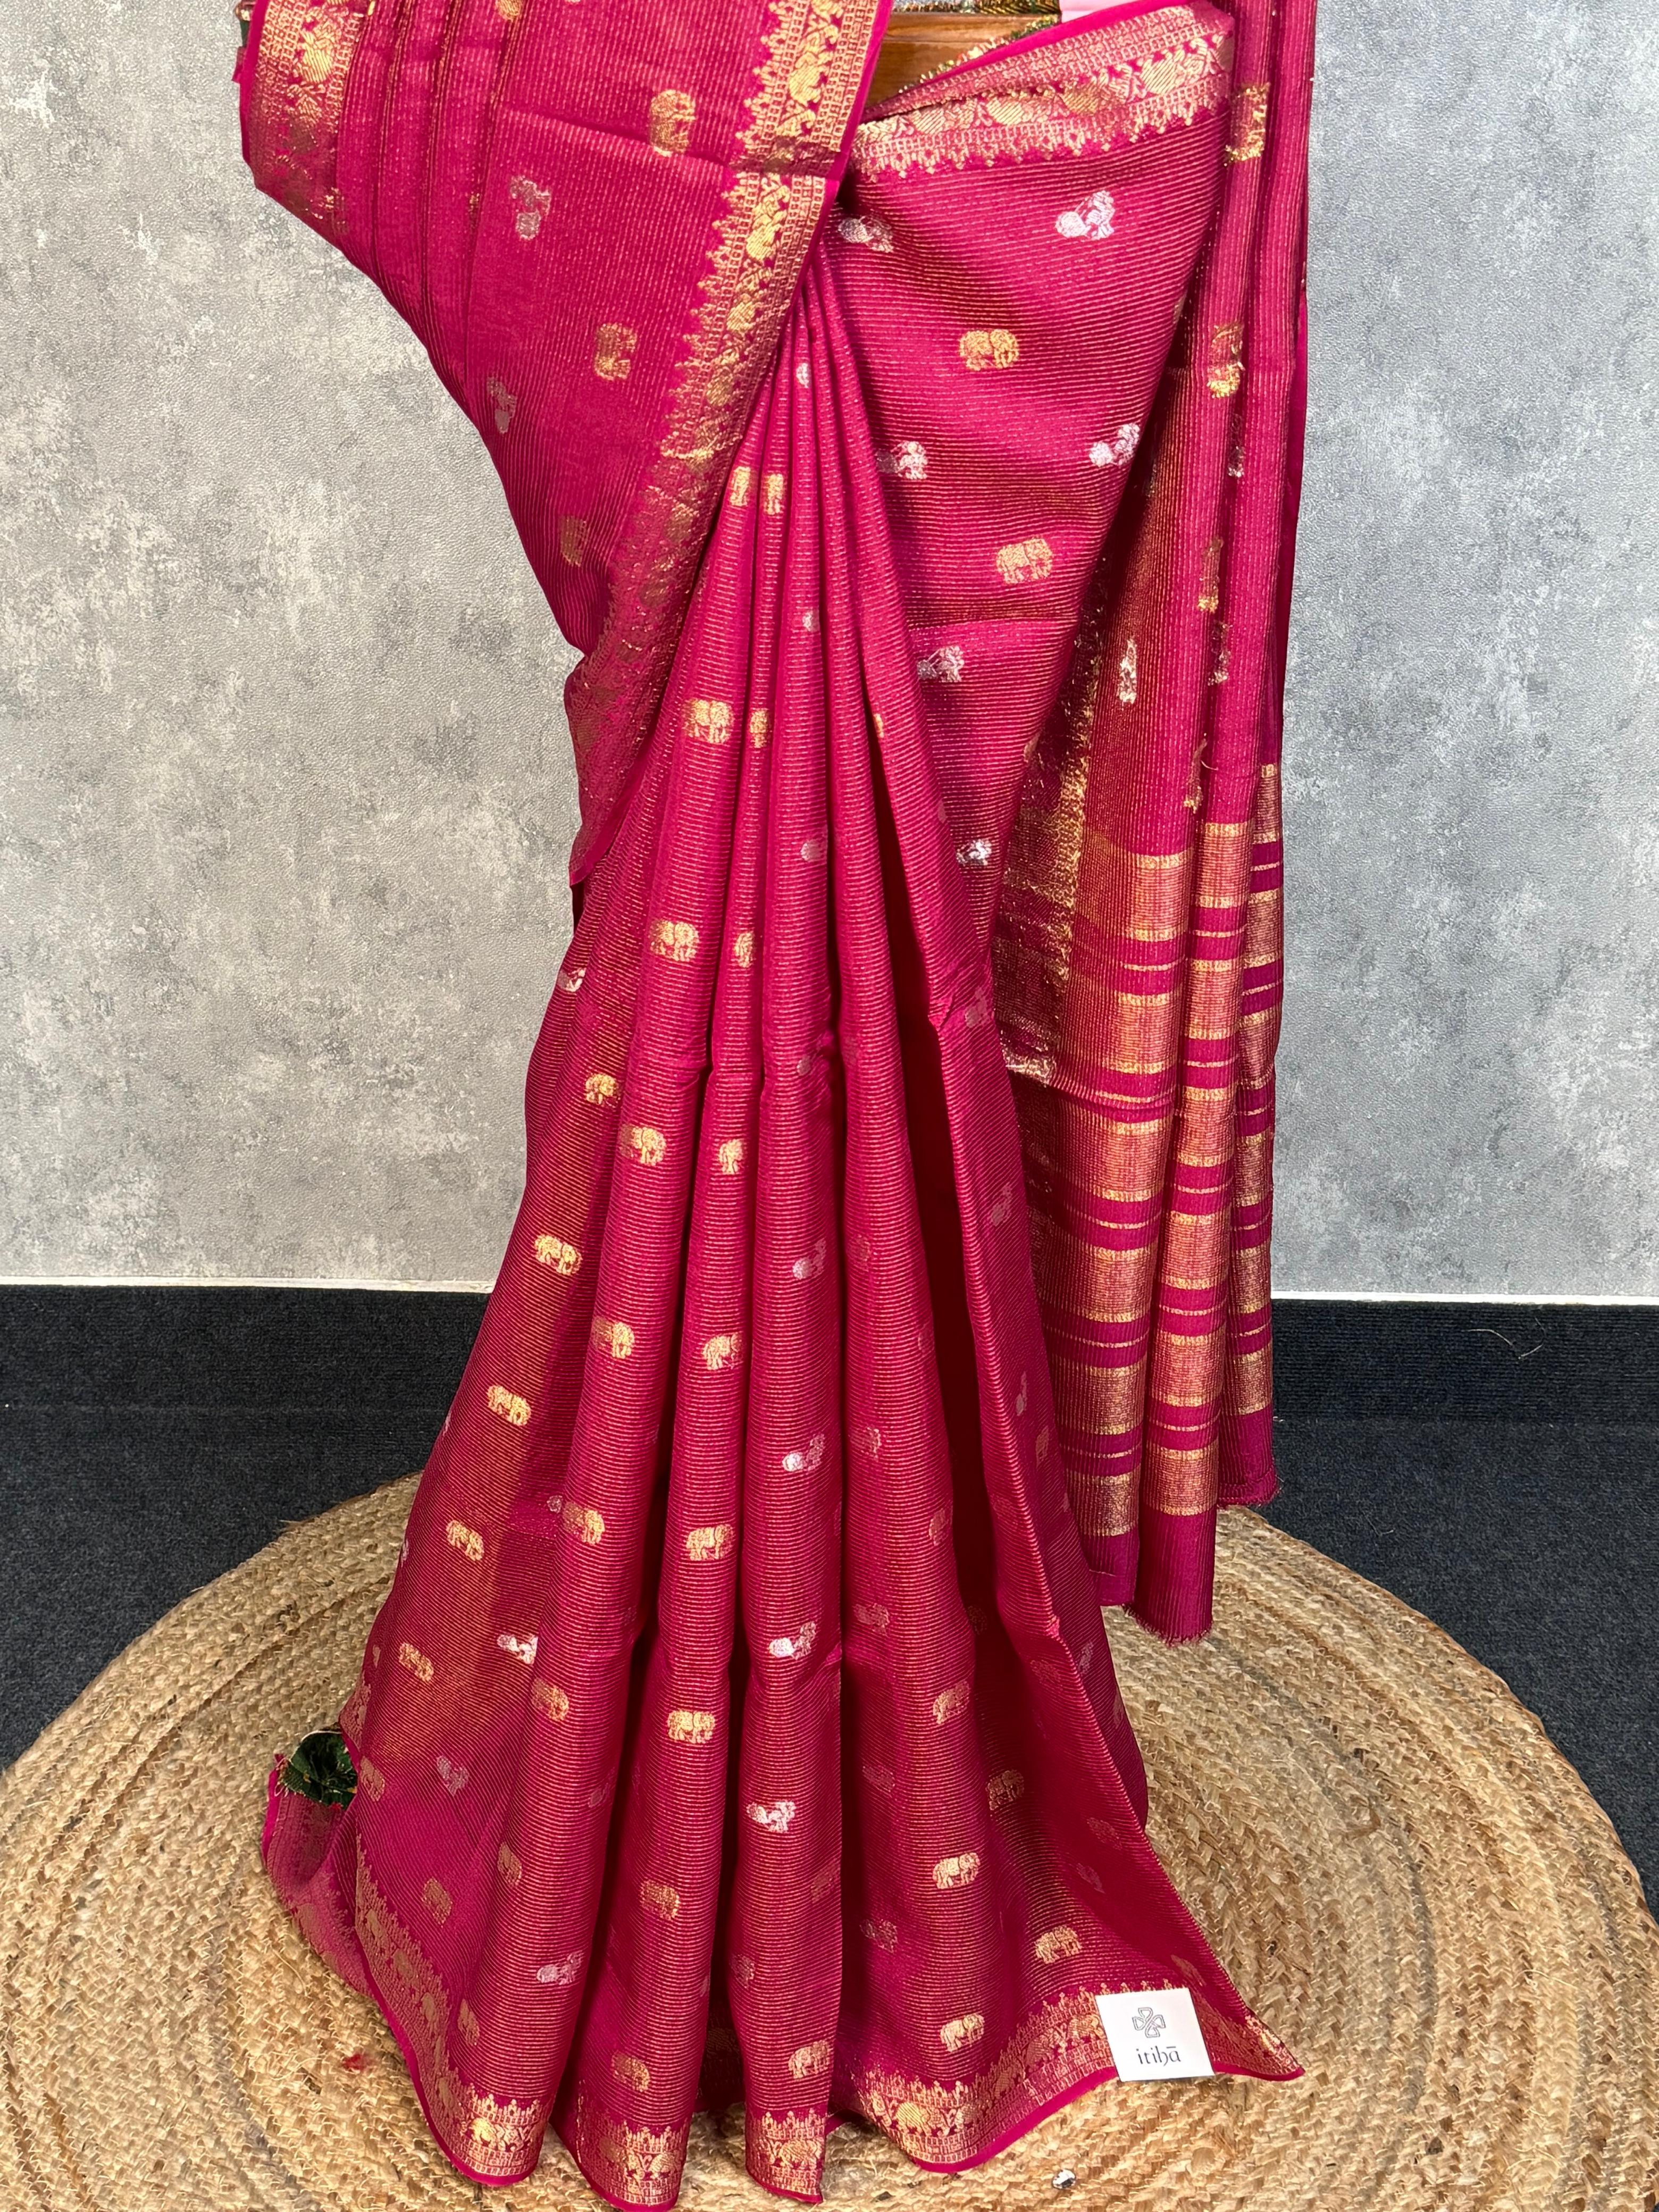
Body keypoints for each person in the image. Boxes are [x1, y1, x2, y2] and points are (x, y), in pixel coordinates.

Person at [244, 0, 1313, 2198]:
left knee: (852, 982)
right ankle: (812, 1829)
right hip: (1014, 139)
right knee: (749, 985)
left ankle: (802, 1847)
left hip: (1027, 182)